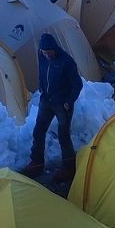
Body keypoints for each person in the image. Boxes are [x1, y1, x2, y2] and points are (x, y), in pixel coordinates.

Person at [20, 33, 84, 182]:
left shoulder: (67, 62)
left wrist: (69, 101)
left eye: (49, 52)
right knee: (38, 131)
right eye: (44, 52)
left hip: (62, 104)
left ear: (54, 49)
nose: (47, 56)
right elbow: (42, 72)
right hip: (46, 100)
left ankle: (69, 168)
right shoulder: (41, 55)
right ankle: (37, 163)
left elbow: (77, 84)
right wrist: (41, 86)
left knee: (63, 135)